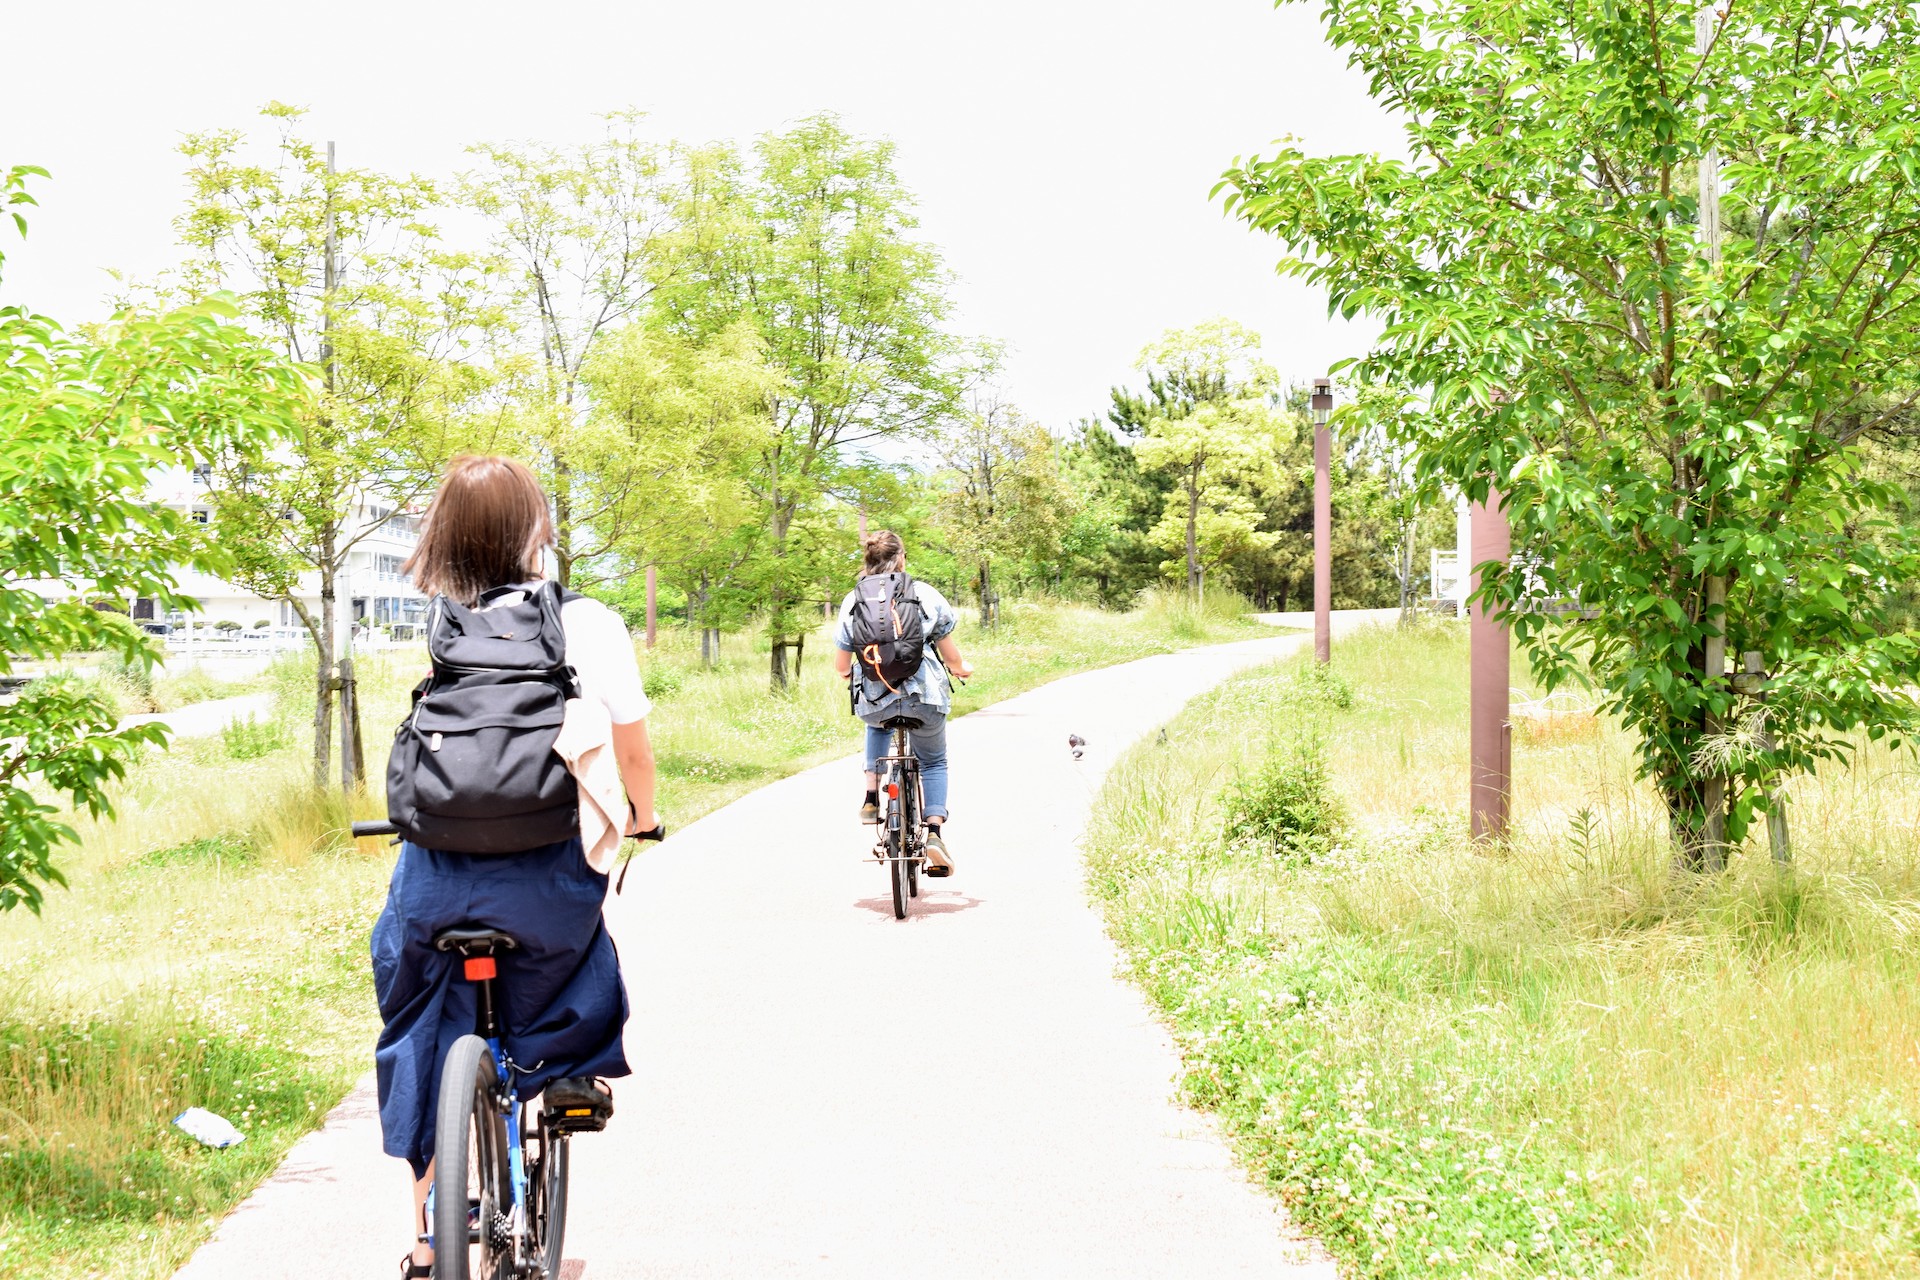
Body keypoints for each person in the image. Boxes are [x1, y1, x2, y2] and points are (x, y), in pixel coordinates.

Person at [373, 455, 660, 1279]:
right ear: (535, 529)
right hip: (548, 874)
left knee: (419, 1005)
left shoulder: (430, 620)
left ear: (443, 535)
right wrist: (639, 818)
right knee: (576, 957)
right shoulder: (587, 623)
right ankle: (569, 1074)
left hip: (439, 873)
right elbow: (632, 748)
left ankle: (431, 1233)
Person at [833, 530, 973, 876]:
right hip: (925, 698)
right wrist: (962, 669)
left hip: (876, 698)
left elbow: (840, 665)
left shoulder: (853, 600)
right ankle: (935, 834)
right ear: (902, 559)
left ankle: (870, 795)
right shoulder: (925, 594)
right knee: (934, 761)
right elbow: (951, 657)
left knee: (875, 718)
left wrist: (851, 675)